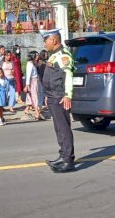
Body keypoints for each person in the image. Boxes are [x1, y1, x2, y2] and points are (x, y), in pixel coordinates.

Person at [42, 29, 76, 173]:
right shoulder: (54, 55)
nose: (45, 43)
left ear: (54, 41)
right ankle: (63, 155)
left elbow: (68, 75)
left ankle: (68, 160)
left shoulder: (63, 56)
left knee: (63, 128)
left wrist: (68, 95)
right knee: (58, 128)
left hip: (60, 96)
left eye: (46, 40)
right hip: (53, 95)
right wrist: (47, 94)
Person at [24, 50, 45, 120]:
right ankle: (37, 113)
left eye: (38, 55)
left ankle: (27, 109)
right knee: (34, 97)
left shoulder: (33, 63)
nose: (37, 56)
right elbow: (28, 75)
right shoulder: (29, 64)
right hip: (32, 81)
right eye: (36, 55)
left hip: (36, 81)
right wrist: (27, 85)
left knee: (32, 96)